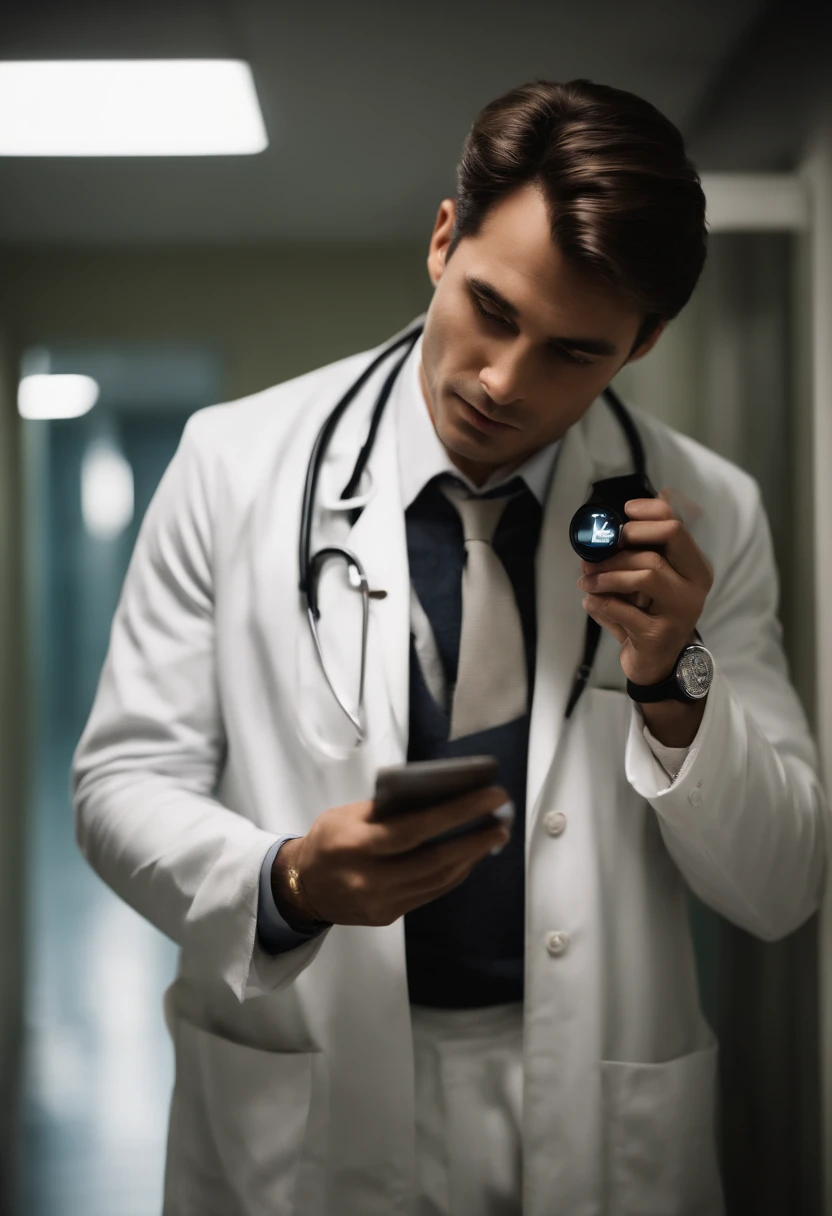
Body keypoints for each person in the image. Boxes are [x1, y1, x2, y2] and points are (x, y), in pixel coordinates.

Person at [71, 78, 827, 1216]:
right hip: (307, 1087)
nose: (501, 381)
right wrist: (286, 880)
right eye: (492, 308)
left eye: (573, 352)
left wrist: (676, 679)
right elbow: (119, 784)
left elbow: (779, 885)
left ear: (644, 341)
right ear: (441, 240)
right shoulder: (231, 465)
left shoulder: (707, 514)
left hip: (591, 1096)